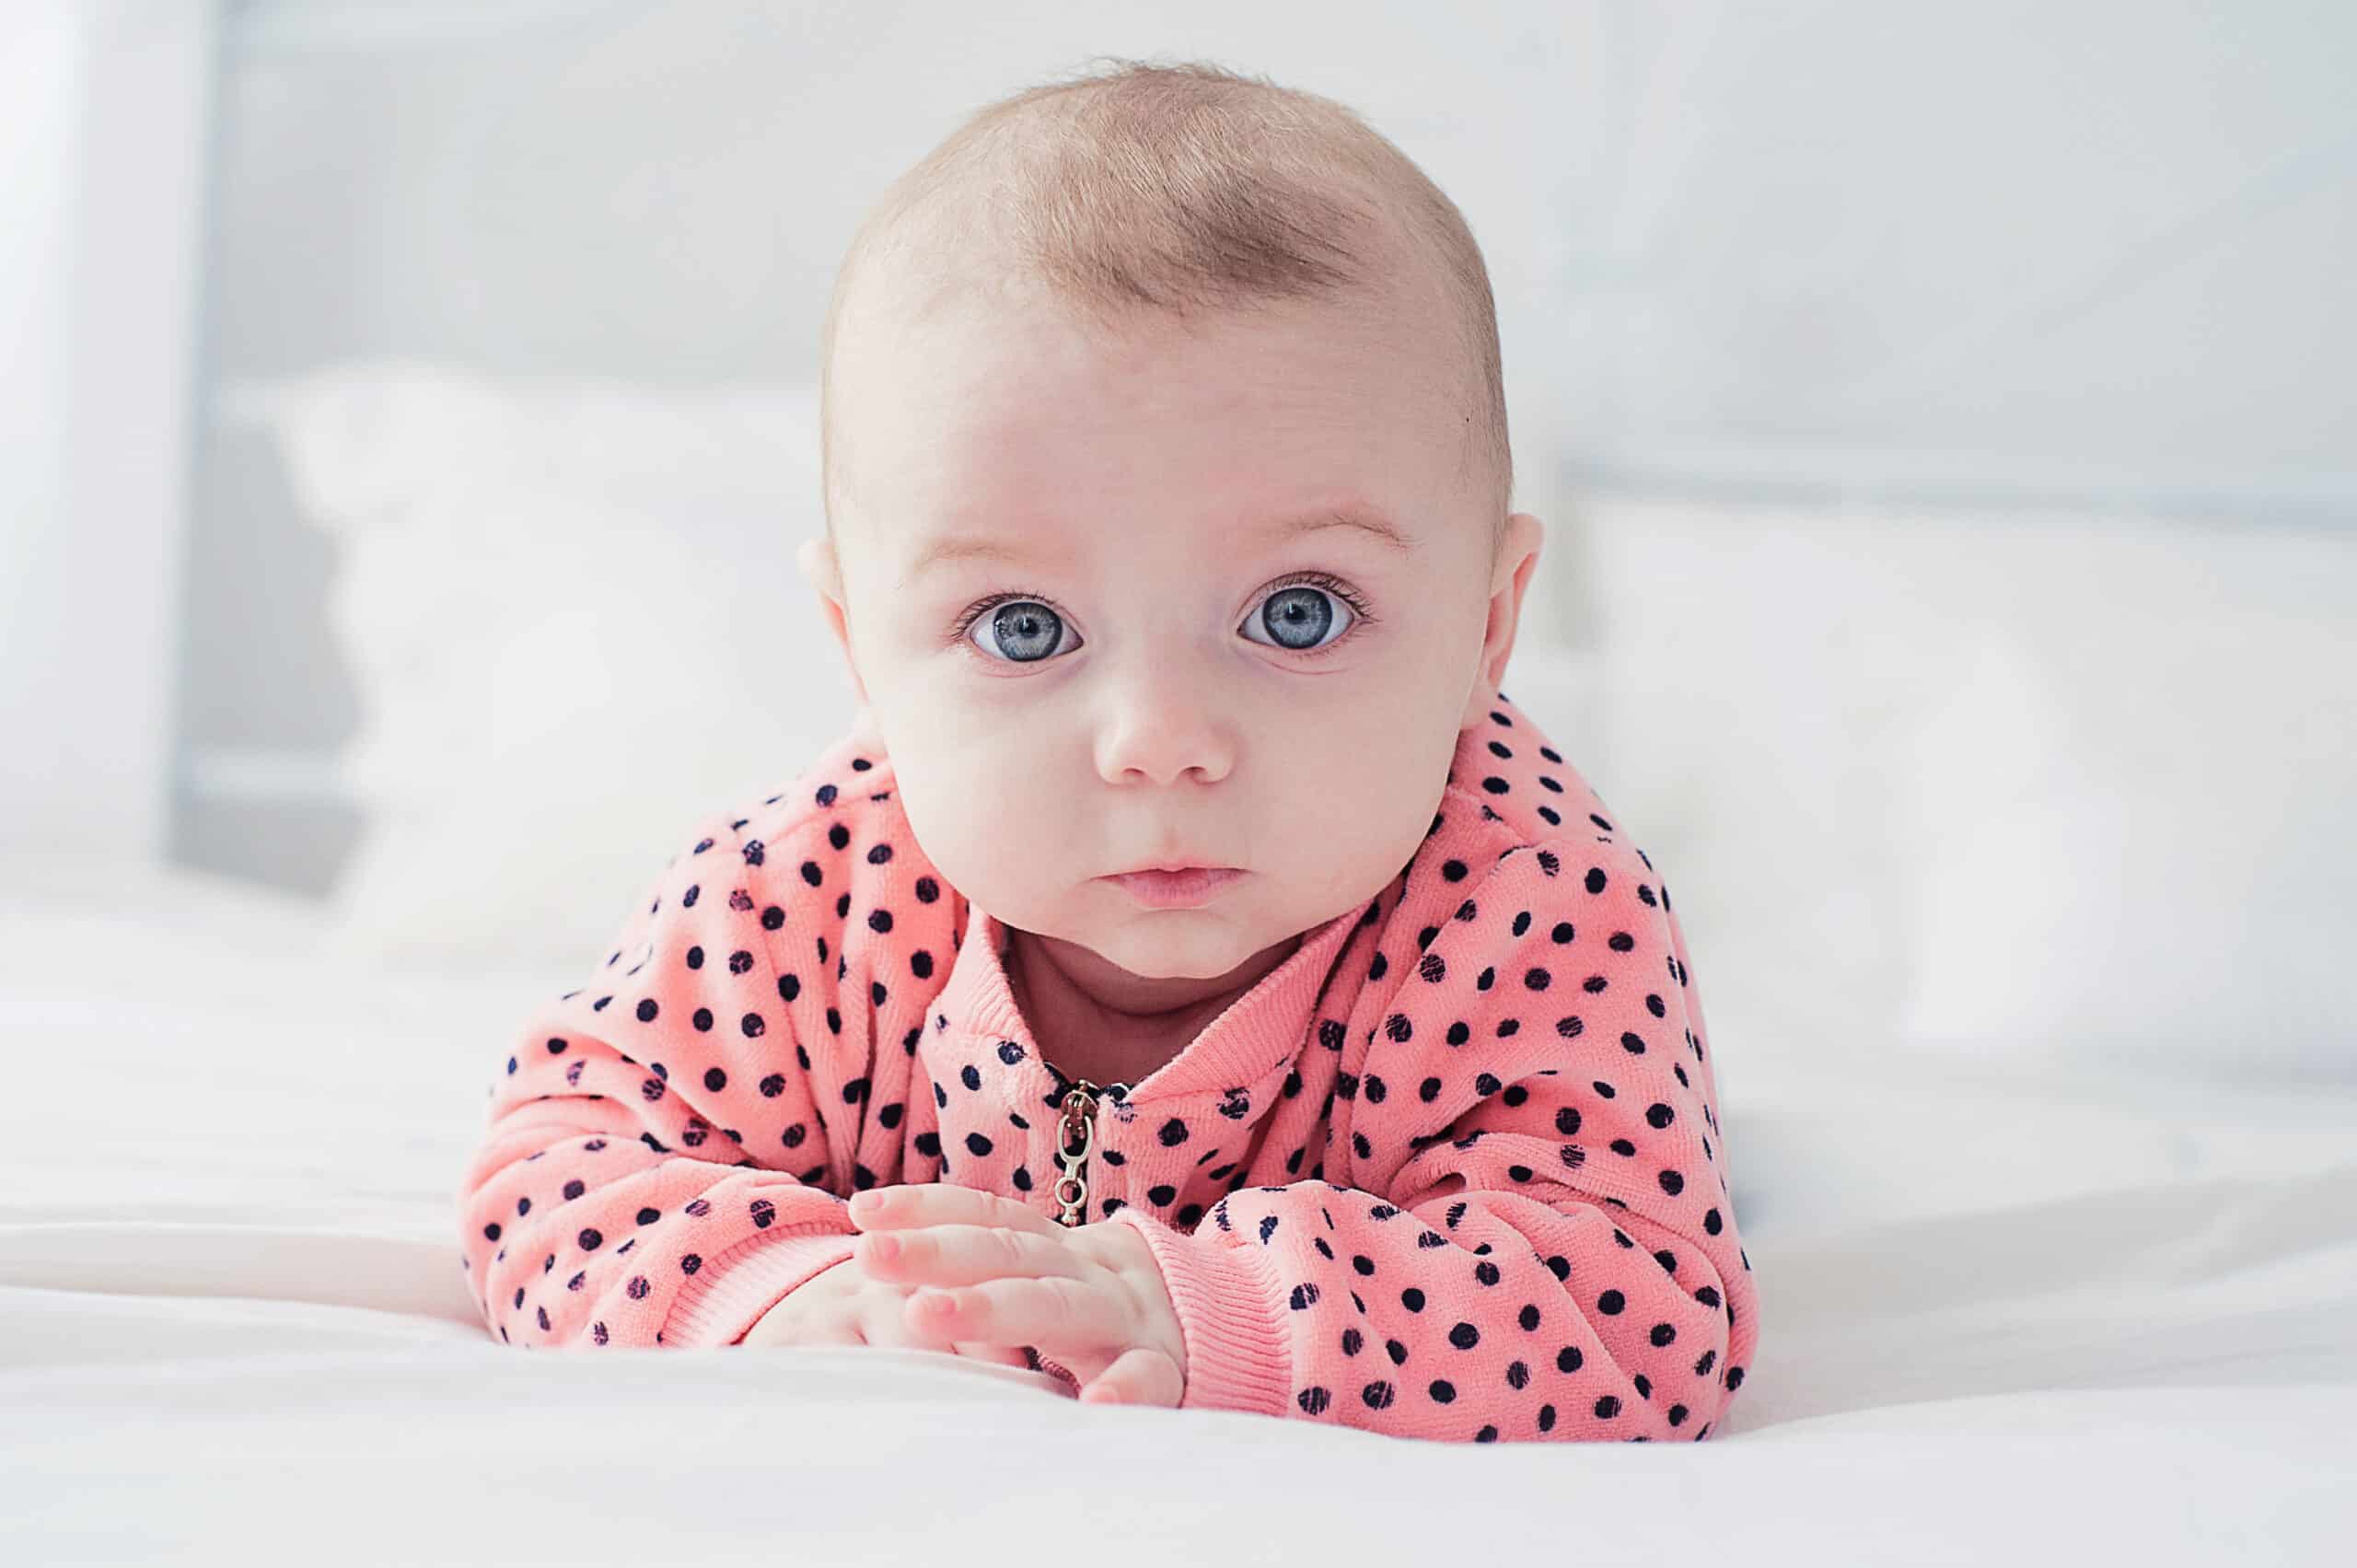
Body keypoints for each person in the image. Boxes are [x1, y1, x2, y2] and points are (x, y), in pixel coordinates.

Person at [455, 56, 1758, 1444]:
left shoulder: (1530, 905)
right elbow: (554, 1165)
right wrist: (786, 1289)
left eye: (1297, 615)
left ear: (1487, 628)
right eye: (1024, 628)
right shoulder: (806, 895)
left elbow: (1636, 1303)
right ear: (860, 649)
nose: (1160, 744)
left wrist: (1212, 1310)